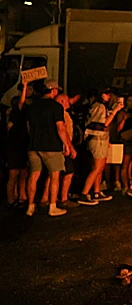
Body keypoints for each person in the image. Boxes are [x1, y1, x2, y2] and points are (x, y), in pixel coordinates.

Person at [25, 80, 73, 217]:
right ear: (54, 91)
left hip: (34, 145)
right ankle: (52, 206)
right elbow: (60, 128)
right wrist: (66, 145)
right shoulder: (56, 107)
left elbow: (28, 127)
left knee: (33, 176)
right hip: (51, 146)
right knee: (55, 175)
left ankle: (30, 206)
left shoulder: (32, 106)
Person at [78, 88, 121, 205]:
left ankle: (96, 191)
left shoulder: (99, 106)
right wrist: (115, 110)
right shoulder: (99, 106)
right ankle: (84, 193)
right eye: (107, 94)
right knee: (97, 167)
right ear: (101, 94)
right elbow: (104, 123)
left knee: (99, 167)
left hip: (100, 138)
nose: (109, 96)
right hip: (98, 139)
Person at [5, 83, 30, 207]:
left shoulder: (13, 117)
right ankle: (11, 199)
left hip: (20, 147)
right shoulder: (16, 114)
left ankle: (21, 196)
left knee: (22, 174)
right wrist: (24, 87)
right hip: (16, 148)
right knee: (14, 175)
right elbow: (22, 101)